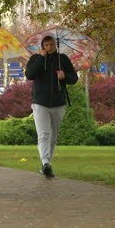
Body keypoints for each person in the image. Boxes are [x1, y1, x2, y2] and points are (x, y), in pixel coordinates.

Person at [25, 36, 78, 178]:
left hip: (58, 103)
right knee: (44, 134)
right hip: (40, 102)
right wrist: (41, 59)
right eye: (46, 45)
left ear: (55, 45)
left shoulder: (62, 59)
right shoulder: (36, 58)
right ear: (42, 46)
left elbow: (74, 78)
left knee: (53, 136)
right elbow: (30, 74)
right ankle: (45, 163)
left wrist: (64, 76)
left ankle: (47, 163)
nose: (49, 47)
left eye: (51, 44)